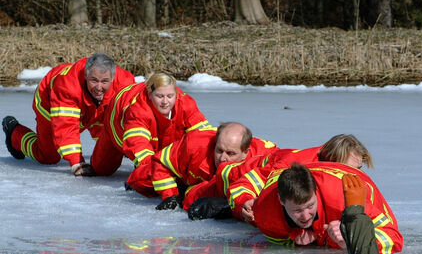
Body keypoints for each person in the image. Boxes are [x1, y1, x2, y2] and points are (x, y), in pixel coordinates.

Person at [186, 133, 373, 221]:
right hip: (230, 177)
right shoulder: (293, 168)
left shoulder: (329, 168)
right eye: (346, 169)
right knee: (191, 198)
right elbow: (245, 184)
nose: (354, 175)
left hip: (260, 168)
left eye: (358, 169)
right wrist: (245, 203)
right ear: (330, 162)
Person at [2, 54, 135, 176]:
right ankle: (14, 132)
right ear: (86, 76)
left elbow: (135, 118)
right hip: (50, 105)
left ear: (112, 78)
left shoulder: (125, 84)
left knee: (110, 138)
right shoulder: (67, 87)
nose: (99, 87)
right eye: (94, 80)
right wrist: (77, 162)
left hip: (94, 109)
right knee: (48, 156)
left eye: (104, 81)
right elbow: (66, 128)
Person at [250, 162, 403, 254]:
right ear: (281, 201)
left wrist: (352, 238)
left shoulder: (345, 199)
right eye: (297, 210)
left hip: (355, 182)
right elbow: (277, 238)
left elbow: (394, 238)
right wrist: (296, 236)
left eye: (310, 206)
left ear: (315, 192)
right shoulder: (265, 213)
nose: (305, 216)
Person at [90, 72, 210, 180]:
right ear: (150, 94)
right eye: (159, 96)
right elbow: (137, 144)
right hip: (115, 125)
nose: (165, 102)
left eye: (170, 96)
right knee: (102, 169)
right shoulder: (138, 110)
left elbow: (203, 135)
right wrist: (159, 171)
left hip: (157, 132)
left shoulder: (185, 104)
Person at [148, 122, 277, 210]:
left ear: (245, 152)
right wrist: (170, 195)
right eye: (219, 150)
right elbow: (160, 162)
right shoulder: (194, 144)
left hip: (201, 185)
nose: (222, 158)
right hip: (165, 176)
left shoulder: (264, 156)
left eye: (230, 153)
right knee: (142, 180)